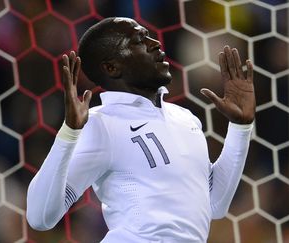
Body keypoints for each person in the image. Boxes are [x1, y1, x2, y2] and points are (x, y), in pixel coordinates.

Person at [26, 17, 256, 243]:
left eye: (149, 36)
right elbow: (40, 217)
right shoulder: (102, 124)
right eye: (139, 40)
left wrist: (240, 127)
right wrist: (69, 133)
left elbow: (214, 204)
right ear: (112, 67)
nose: (155, 44)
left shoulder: (185, 118)